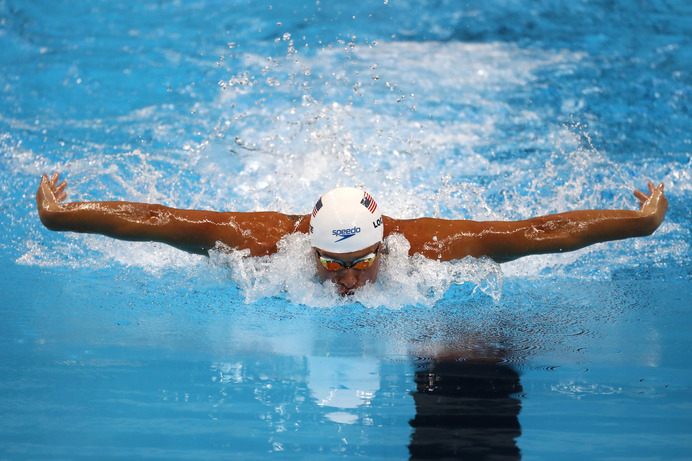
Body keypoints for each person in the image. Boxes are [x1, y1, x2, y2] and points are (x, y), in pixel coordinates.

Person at [36, 172, 668, 295]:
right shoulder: (263, 242)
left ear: (381, 241)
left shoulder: (423, 246)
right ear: (309, 243)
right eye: (333, 265)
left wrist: (640, 225)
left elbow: (538, 231)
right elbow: (161, 222)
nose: (348, 279)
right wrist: (62, 216)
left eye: (359, 262)